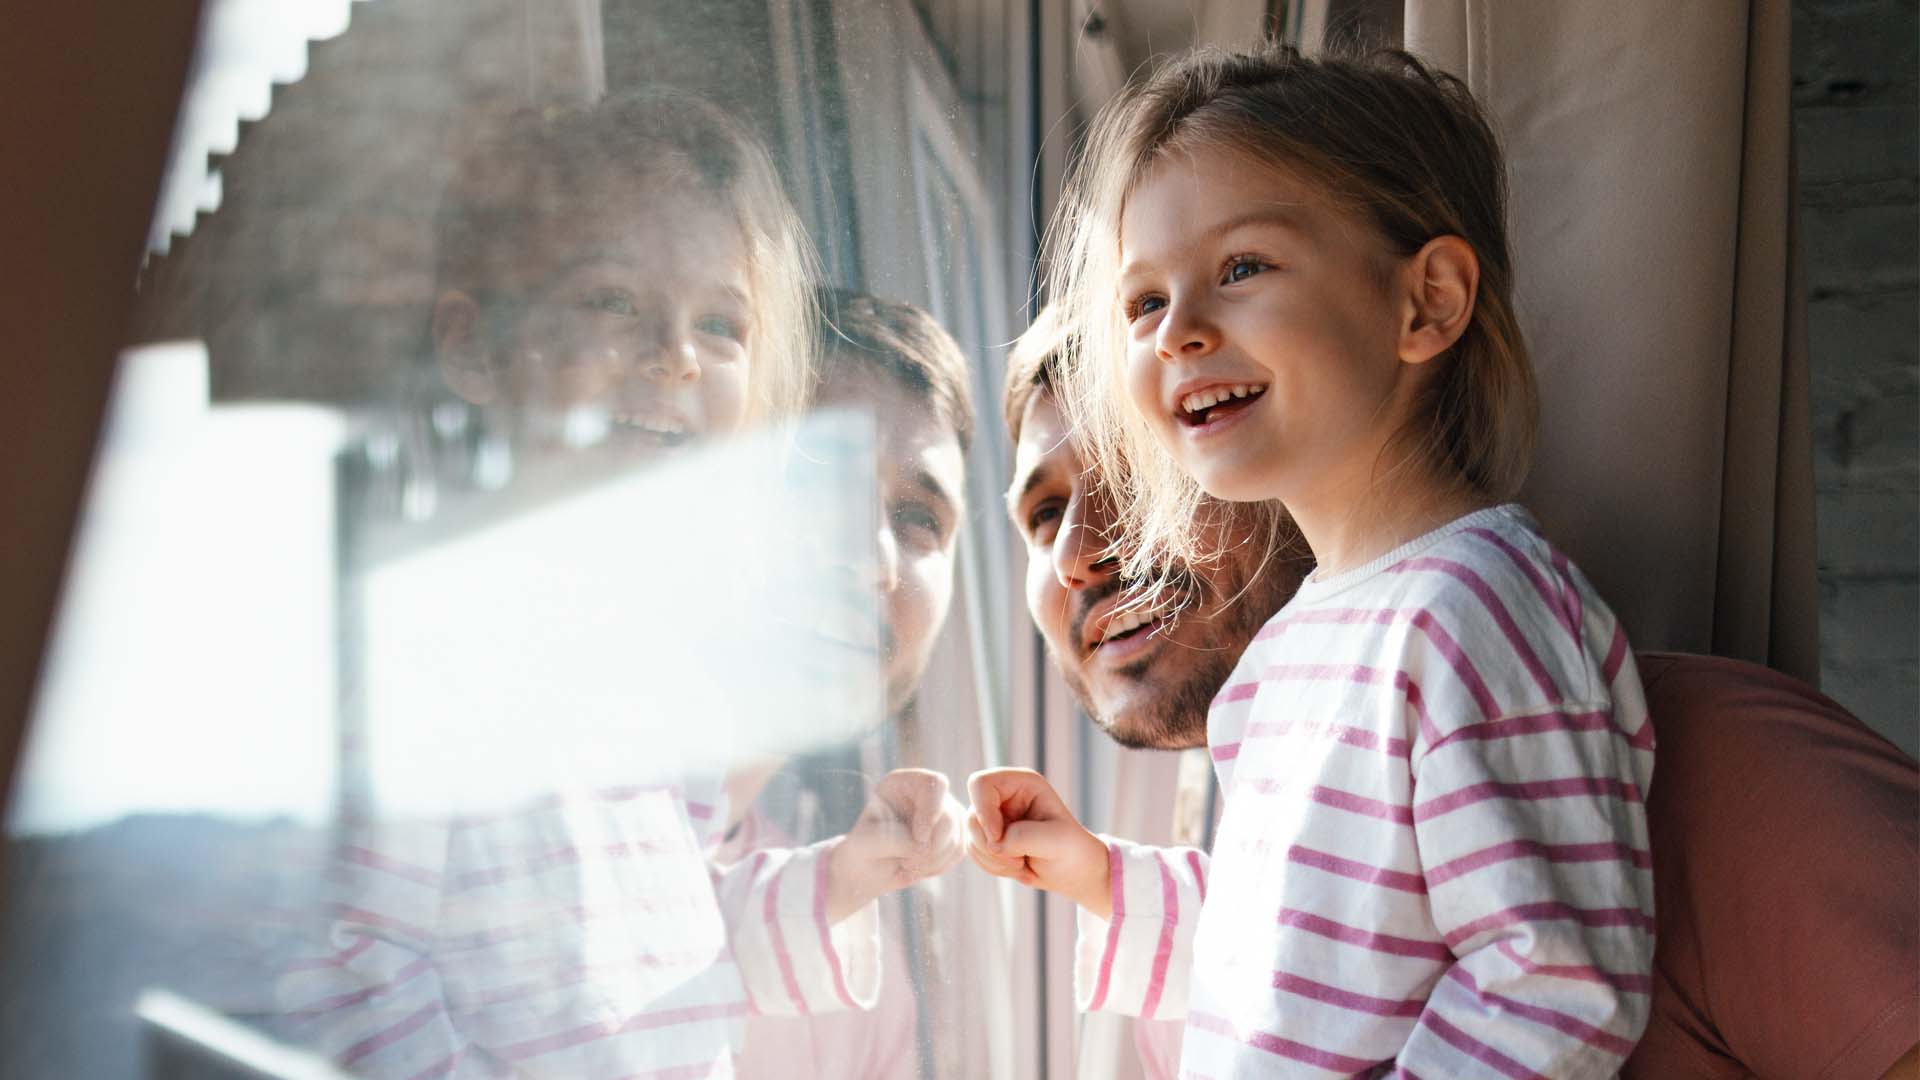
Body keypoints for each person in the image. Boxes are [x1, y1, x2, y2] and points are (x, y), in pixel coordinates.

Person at [977, 43, 1654, 1076]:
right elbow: (1294, 946)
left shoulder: (1474, 612)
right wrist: (1104, 878)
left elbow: (1553, 984)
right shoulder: (1301, 642)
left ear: (1425, 302)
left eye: (1241, 268)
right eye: (1145, 302)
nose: (1178, 336)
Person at [995, 324, 1917, 1076]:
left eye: (1142, 477)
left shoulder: (1734, 771)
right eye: (1042, 514)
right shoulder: (1228, 922)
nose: (1080, 550)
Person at [278, 92, 960, 1079]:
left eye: (722, 323)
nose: (676, 356)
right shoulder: (431, 640)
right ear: (474, 345)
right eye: (610, 300)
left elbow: (688, 949)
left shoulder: (655, 676)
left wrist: (840, 879)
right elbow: (346, 970)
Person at [718, 287, 976, 1078]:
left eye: (917, 517)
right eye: (816, 480)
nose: (872, 559)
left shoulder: (860, 975)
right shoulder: (517, 839)